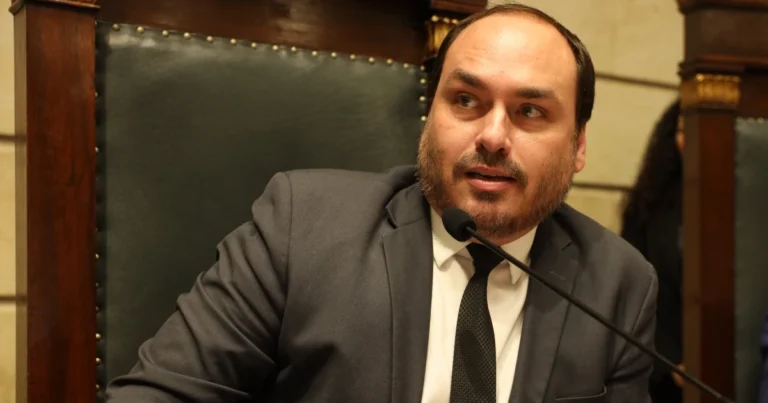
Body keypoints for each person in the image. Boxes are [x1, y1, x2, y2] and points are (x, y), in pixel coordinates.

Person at [106, 4, 658, 402]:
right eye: (466, 100)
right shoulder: (302, 227)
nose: (492, 136)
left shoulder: (619, 286)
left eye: (530, 111)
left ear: (578, 146)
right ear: (430, 117)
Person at [620, 100, 683, 403]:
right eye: (683, 130)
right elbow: (632, 290)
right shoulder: (649, 203)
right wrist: (669, 361)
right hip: (662, 370)